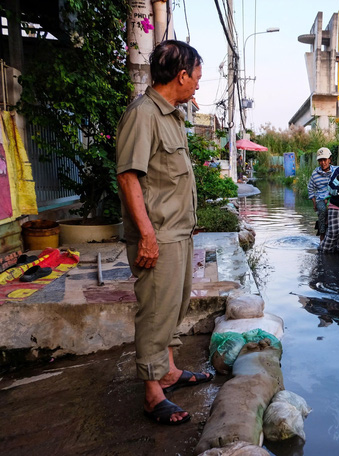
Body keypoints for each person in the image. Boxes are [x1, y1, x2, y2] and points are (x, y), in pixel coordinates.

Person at [116, 40, 212, 426]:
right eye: (197, 78)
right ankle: (153, 394)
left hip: (179, 233)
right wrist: (147, 236)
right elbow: (128, 176)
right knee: (156, 313)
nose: (199, 87)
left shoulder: (172, 116)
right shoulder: (143, 115)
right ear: (181, 75)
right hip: (158, 236)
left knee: (174, 307)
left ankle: (169, 371)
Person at [307, 147, 333, 241]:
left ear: (329, 159)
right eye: (320, 160)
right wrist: (314, 203)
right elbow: (310, 188)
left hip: (333, 197)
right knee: (322, 209)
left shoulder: (335, 171)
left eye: (325, 160)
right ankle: (322, 235)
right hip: (321, 199)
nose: (323, 163)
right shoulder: (315, 174)